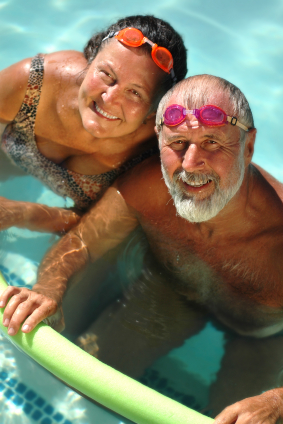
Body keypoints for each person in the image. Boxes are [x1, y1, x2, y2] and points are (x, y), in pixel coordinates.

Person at [1, 74, 283, 423]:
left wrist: (276, 401)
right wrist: (48, 288)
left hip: (260, 336)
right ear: (158, 139)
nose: (191, 163)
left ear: (249, 146)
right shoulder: (148, 187)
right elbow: (83, 241)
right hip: (170, 294)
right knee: (93, 381)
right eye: (177, 143)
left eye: (212, 142)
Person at [0, 14, 187, 232]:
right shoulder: (36, 83)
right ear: (90, 62)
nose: (109, 99)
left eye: (135, 92)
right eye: (107, 74)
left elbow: (101, 234)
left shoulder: (149, 158)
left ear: (153, 111)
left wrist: (22, 213)